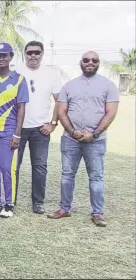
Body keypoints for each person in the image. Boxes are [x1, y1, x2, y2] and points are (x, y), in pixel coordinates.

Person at [48, 51, 119, 227]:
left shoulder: (108, 85)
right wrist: (72, 131)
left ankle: (97, 212)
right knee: (67, 175)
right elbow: (61, 111)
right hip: (70, 139)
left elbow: (111, 113)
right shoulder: (69, 86)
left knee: (96, 177)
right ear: (81, 62)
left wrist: (94, 134)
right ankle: (64, 208)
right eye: (86, 60)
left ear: (98, 63)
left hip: (96, 140)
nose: (90, 63)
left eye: (94, 60)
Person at [12, 41, 63, 214]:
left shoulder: (51, 74)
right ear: (24, 54)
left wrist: (53, 123)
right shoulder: (16, 72)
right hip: (17, 129)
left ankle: (38, 202)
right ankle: (11, 199)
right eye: (30, 52)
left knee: (40, 166)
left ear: (42, 54)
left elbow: (60, 101)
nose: (33, 56)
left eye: (37, 52)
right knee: (13, 166)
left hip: (40, 129)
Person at [0, 42, 29, 218]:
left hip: (8, 130)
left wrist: (17, 133)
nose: (1, 59)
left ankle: (9, 204)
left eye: (4, 55)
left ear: (10, 57)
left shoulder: (18, 79)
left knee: (6, 168)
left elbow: (22, 108)